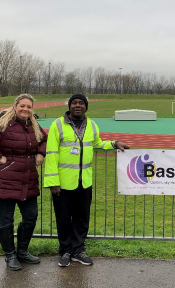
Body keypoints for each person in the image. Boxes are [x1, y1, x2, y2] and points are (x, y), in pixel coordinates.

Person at [44, 93, 130, 267]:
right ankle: (65, 251)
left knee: (82, 218)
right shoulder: (57, 125)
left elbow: (97, 143)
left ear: (85, 107)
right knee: (63, 218)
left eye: (81, 103)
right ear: (69, 106)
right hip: (63, 183)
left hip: (85, 182)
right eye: (74, 103)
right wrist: (53, 182)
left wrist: (114, 143)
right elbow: (51, 153)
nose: (78, 105)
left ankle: (78, 250)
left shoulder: (91, 124)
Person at [0, 94, 47, 271]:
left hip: (28, 180)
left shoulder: (34, 125)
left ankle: (22, 251)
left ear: (32, 109)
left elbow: (44, 140)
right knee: (6, 220)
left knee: (31, 216)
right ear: (15, 106)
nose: (25, 109)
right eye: (22, 106)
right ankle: (10, 255)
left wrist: (41, 153)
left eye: (29, 107)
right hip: (5, 180)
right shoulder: (3, 124)